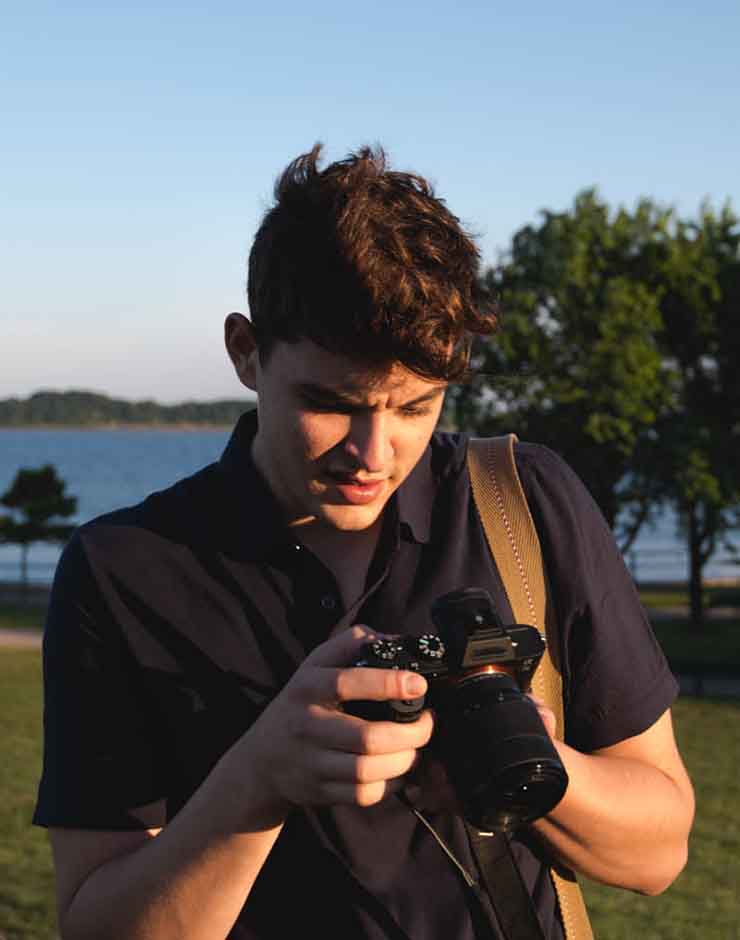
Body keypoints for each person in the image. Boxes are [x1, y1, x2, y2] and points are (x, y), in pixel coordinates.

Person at [34, 145, 694, 940]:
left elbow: (659, 855)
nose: (373, 454)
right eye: (331, 403)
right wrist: (257, 780)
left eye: (415, 407)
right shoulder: (124, 571)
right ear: (246, 352)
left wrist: (532, 766)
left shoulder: (524, 501)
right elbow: (97, 926)